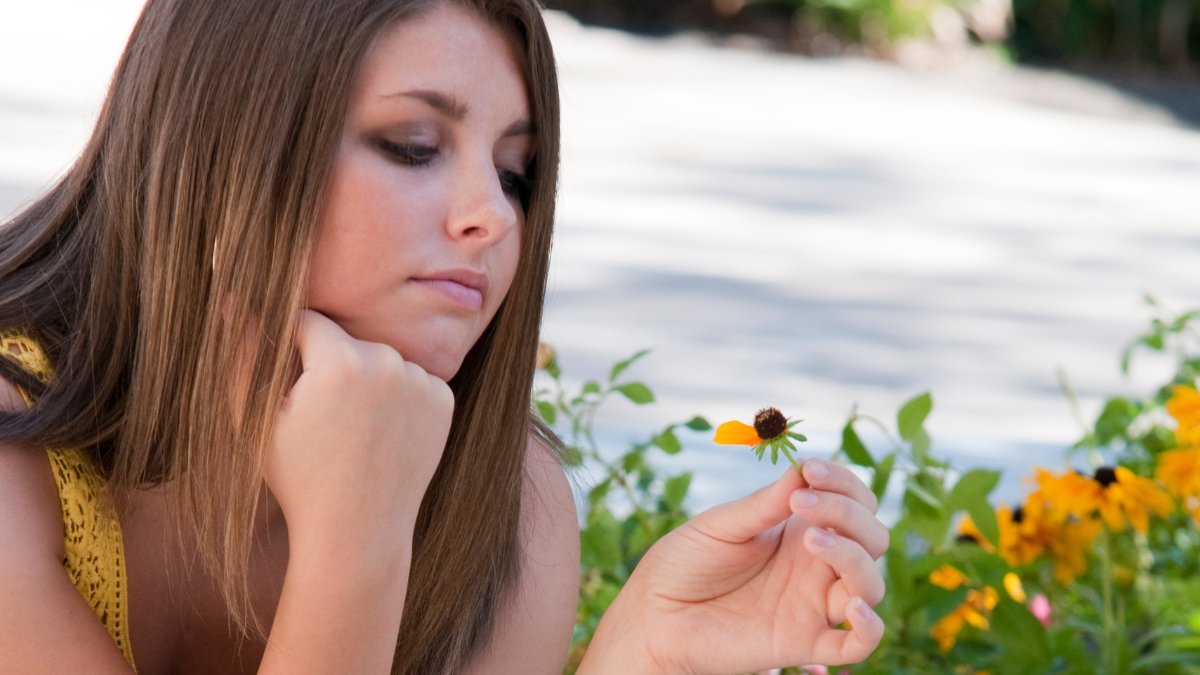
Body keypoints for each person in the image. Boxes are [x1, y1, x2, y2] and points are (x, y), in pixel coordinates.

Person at [0, 0, 889, 673]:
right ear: (224, 146)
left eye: (516, 172)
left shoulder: (508, 508)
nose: (491, 218)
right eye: (413, 144)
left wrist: (639, 652)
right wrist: (357, 539)